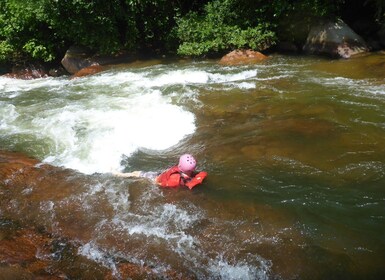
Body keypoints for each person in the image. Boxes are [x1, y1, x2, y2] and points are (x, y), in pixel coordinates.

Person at [113, 154, 207, 190]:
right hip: (162, 176)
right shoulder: (191, 176)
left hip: (155, 179)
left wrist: (155, 182)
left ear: (180, 165)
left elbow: (161, 183)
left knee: (136, 174)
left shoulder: (175, 178)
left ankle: (118, 174)